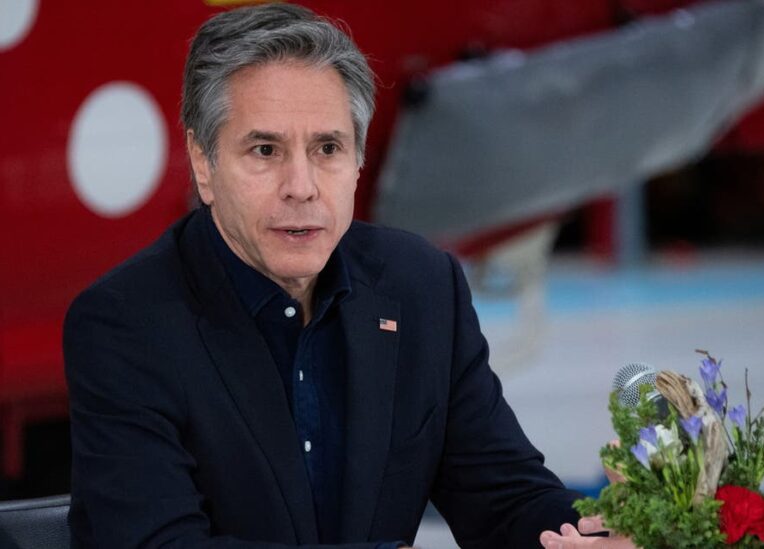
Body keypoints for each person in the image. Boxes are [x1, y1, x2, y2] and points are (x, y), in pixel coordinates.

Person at [64, 4, 631, 548]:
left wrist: (595, 536)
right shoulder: (123, 326)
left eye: (328, 148)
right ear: (204, 164)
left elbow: (505, 499)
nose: (302, 186)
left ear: (358, 161)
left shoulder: (422, 287)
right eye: (265, 150)